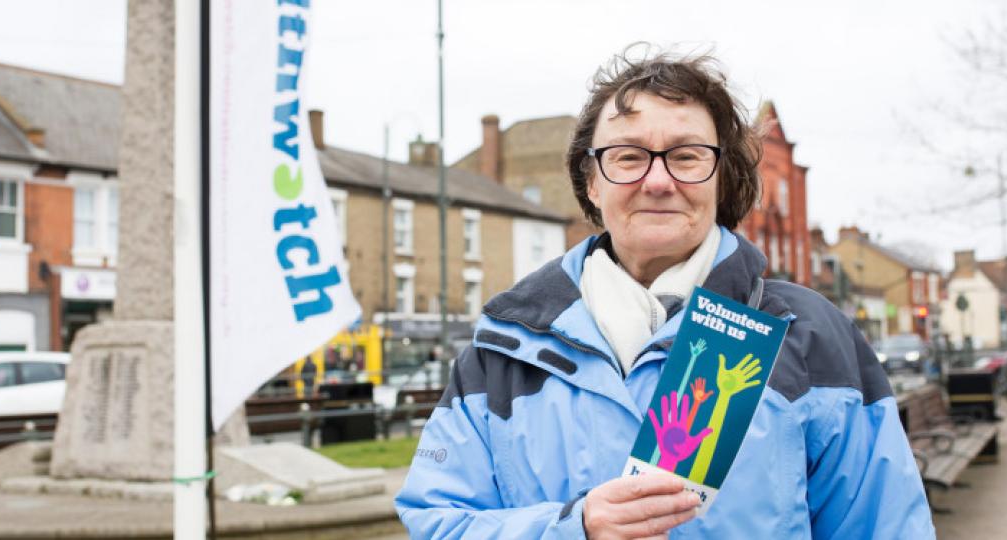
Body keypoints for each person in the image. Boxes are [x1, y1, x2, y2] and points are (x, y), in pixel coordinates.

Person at [395, 47, 934, 538]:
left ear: (722, 177)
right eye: (628, 156)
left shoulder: (810, 336)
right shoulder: (504, 348)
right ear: (592, 181)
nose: (657, 181)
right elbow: (437, 521)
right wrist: (571, 529)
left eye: (686, 155)